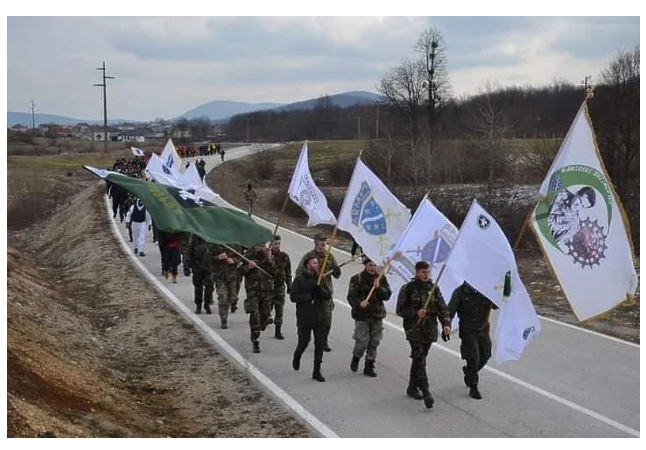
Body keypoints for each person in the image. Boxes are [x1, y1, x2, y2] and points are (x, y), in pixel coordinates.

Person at [396, 261, 451, 409]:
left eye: (428, 272)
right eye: (423, 272)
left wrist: (446, 323)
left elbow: (442, 308)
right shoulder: (408, 289)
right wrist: (415, 313)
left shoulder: (433, 289)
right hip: (414, 328)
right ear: (417, 272)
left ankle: (412, 387)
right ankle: (426, 391)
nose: (426, 275)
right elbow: (400, 310)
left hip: (429, 329)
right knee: (419, 357)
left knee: (420, 358)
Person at [448, 281, 499, 400]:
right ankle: (473, 386)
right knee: (473, 358)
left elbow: (496, 305)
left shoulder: (486, 289)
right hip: (468, 330)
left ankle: (470, 371)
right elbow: (450, 311)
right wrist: (447, 325)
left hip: (483, 329)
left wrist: (500, 292)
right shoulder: (460, 292)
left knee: (485, 356)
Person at [295, 233, 341, 352]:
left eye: (324, 240)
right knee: (310, 318)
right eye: (320, 240)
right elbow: (299, 272)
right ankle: (304, 339)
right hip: (312, 293)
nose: (323, 243)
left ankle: (323, 341)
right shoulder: (309, 256)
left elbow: (337, 275)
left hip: (325, 292)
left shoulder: (329, 256)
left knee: (327, 319)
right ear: (315, 242)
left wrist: (336, 271)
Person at [347, 257, 392, 377]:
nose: (372, 268)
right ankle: (356, 356)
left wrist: (379, 287)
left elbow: (387, 295)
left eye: (374, 265)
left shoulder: (381, 279)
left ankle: (369, 364)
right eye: (370, 265)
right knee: (362, 341)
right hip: (362, 316)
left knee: (374, 342)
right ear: (365, 265)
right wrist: (359, 303)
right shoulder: (357, 278)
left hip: (377, 315)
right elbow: (351, 296)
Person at [290, 256, 331, 382]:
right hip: (305, 316)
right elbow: (293, 297)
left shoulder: (320, 278)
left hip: (319, 316)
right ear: (308, 265)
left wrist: (320, 291)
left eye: (317, 263)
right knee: (304, 341)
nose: (317, 265)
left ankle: (316, 371)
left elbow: (328, 295)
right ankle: (297, 355)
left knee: (319, 343)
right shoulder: (299, 280)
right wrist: (309, 296)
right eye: (314, 263)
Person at [243, 244, 275, 353]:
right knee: (255, 315)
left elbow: (275, 272)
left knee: (265, 316)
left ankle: (263, 323)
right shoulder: (249, 254)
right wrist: (248, 267)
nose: (260, 247)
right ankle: (255, 340)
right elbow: (239, 270)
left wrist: (268, 257)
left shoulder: (268, 255)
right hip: (253, 292)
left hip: (267, 292)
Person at [211, 243, 241, 329]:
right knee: (223, 297)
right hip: (220, 276)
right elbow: (208, 259)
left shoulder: (236, 244)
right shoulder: (215, 243)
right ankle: (223, 319)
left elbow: (241, 259)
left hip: (231, 276)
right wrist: (218, 257)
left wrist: (234, 261)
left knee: (232, 297)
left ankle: (226, 309)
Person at [185, 234, 215, 314]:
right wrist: (187, 265)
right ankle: (198, 305)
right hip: (197, 267)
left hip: (209, 267)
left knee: (209, 286)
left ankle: (207, 304)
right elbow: (189, 251)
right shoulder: (195, 237)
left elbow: (215, 252)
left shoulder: (212, 237)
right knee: (198, 287)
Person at [270, 235, 292, 340]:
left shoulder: (284, 256)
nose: (277, 246)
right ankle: (264, 321)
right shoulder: (266, 255)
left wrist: (289, 285)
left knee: (279, 309)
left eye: (279, 243)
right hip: (267, 288)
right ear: (271, 243)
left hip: (279, 287)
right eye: (275, 243)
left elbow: (288, 273)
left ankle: (278, 330)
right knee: (266, 308)